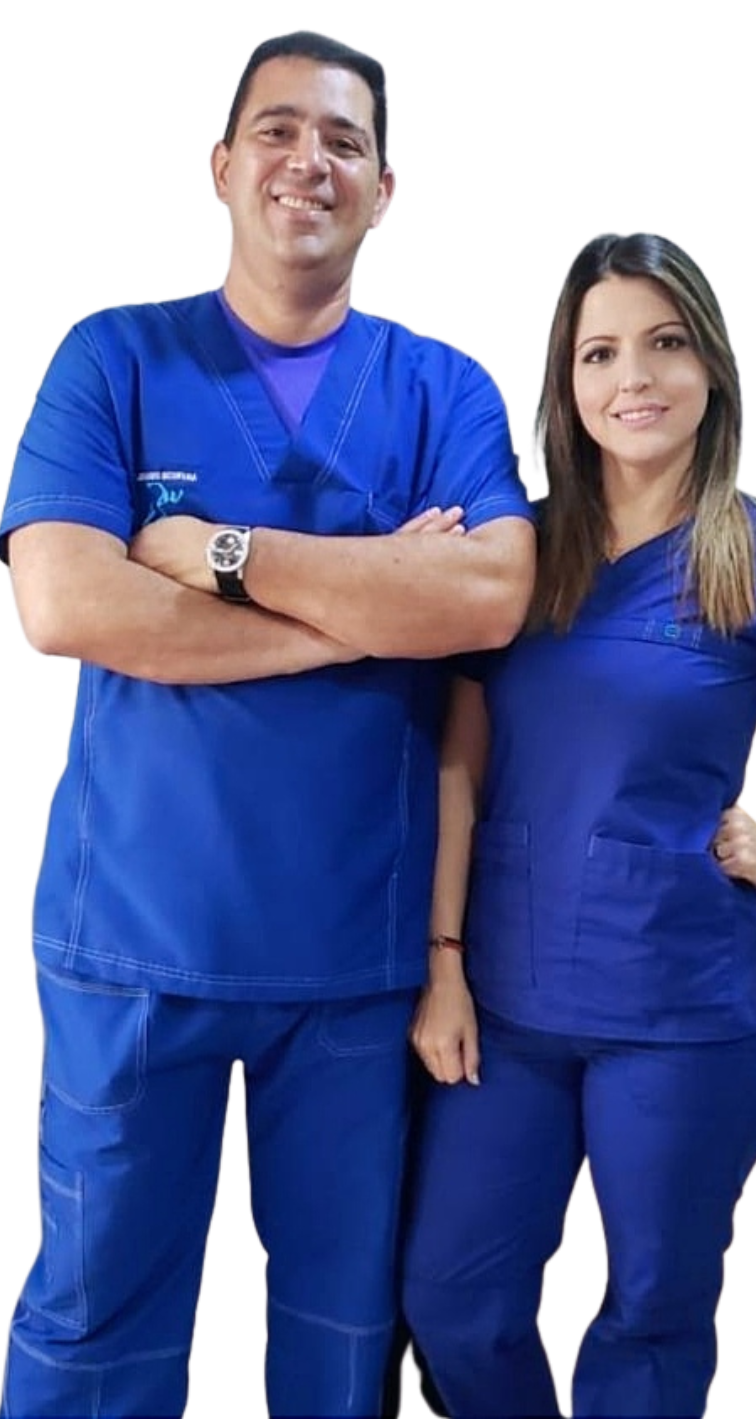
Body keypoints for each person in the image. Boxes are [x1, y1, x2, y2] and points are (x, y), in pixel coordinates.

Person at [0, 28, 535, 1419]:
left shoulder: (446, 389)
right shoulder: (113, 357)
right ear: (222, 167)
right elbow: (63, 604)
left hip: (353, 955)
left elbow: (490, 595)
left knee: (336, 1332)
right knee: (95, 1317)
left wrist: (215, 556)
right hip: (137, 937)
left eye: (346, 142)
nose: (312, 161)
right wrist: (372, 606)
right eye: (280, 131)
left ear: (386, 191)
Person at [402, 230, 756, 1417]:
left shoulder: (744, 556)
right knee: (452, 1296)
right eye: (600, 352)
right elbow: (457, 760)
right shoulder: (515, 558)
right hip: (504, 999)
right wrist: (443, 963)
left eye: (666, 343)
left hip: (677, 1004)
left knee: (653, 1314)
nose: (633, 378)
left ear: (711, 366)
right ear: (566, 380)